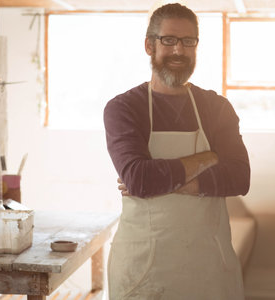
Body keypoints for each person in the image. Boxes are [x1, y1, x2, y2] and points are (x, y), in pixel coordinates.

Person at [103, 3, 250, 299]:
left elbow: (239, 177)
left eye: (188, 41)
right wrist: (210, 158)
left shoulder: (215, 107)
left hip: (209, 265)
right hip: (144, 269)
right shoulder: (124, 109)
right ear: (149, 45)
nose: (178, 51)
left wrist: (167, 182)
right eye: (168, 40)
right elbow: (140, 179)